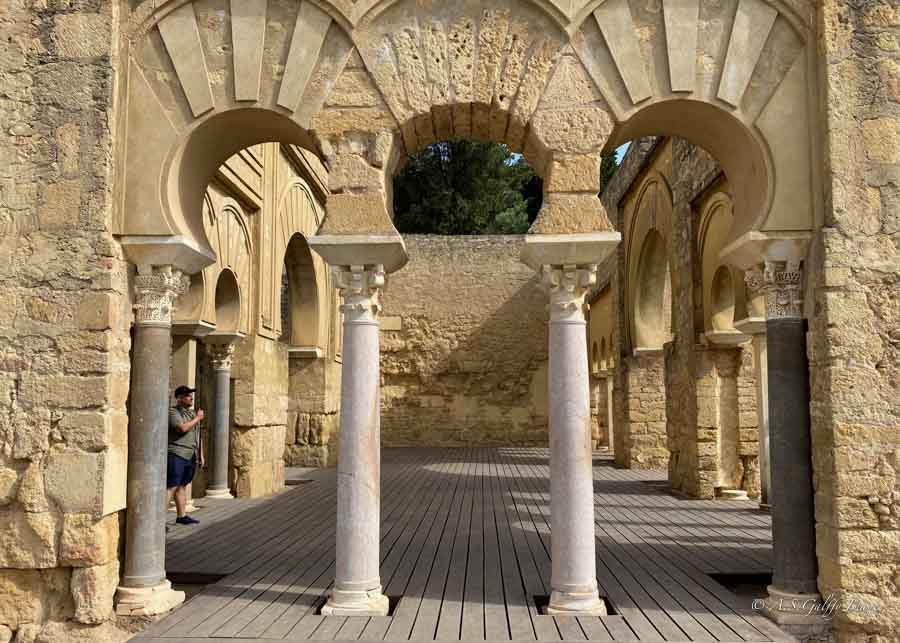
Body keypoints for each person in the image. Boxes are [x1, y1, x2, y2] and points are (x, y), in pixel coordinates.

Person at [167, 385, 204, 525]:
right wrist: (198, 418)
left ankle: (181, 516)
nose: (191, 397)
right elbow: (182, 428)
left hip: (190, 454)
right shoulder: (173, 412)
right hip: (177, 453)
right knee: (171, 485)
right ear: (179, 398)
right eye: (188, 395)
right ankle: (158, 521)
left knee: (182, 485)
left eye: (191, 395)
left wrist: (201, 454)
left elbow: (197, 434)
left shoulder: (192, 413)